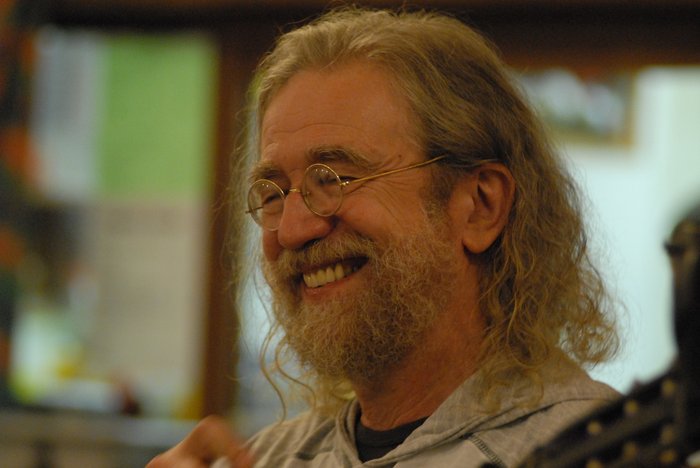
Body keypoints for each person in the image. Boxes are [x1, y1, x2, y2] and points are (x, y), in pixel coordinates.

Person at [149, 7, 619, 467]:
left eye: (333, 178)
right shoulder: (269, 458)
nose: (291, 230)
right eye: (272, 193)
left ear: (480, 206)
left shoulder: (600, 450)